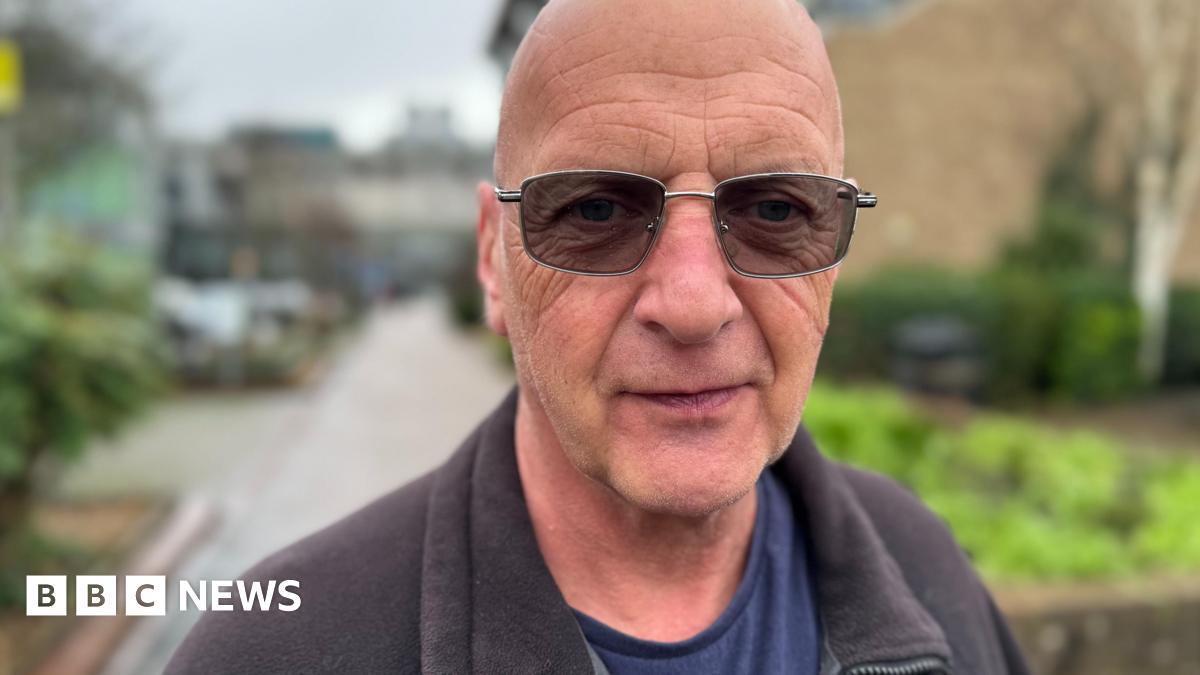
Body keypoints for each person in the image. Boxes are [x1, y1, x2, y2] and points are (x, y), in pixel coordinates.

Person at [167, 0, 1030, 673]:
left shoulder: (926, 568)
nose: (693, 303)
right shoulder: (275, 647)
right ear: (493, 260)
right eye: (595, 210)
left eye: (775, 210)